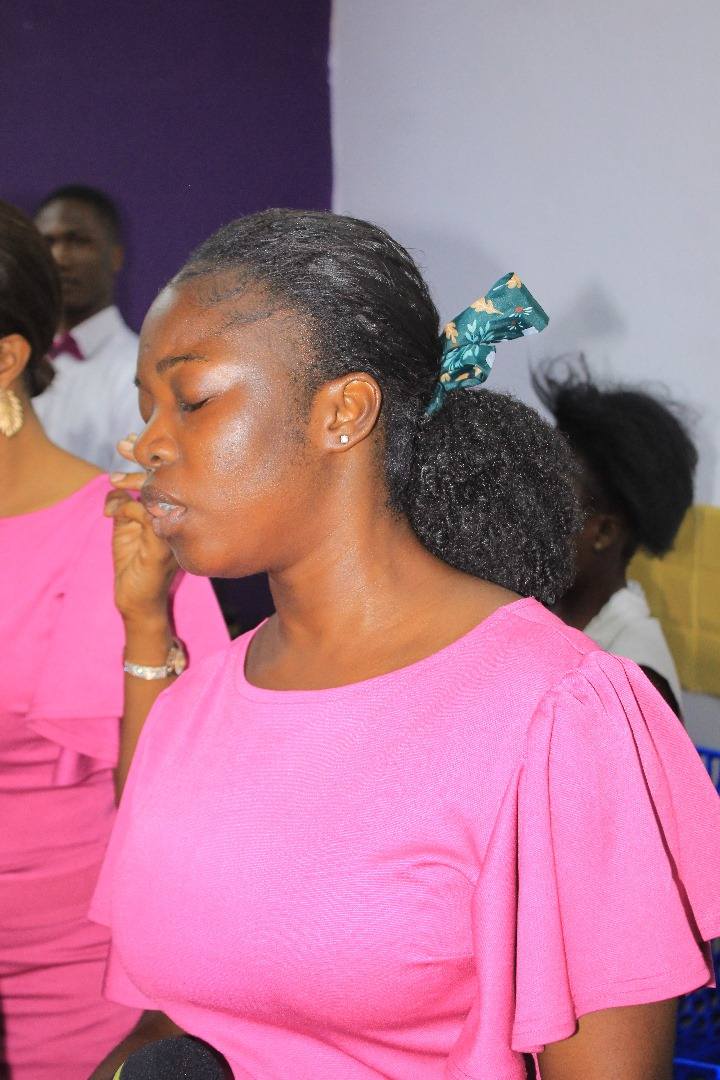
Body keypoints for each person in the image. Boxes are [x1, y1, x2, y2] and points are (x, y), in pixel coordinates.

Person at [89, 211, 720, 1080]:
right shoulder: (197, 701)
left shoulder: (555, 712)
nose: (146, 443)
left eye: (191, 401)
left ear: (343, 412)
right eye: (145, 407)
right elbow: (166, 1023)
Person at [0, 200, 229, 1080]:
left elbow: (179, 808)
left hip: (75, 995)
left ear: (7, 359)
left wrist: (147, 624)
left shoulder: (125, 535)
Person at [533, 360, 696, 717]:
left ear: (604, 532)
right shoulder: (536, 611)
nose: (531, 509)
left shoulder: (636, 677)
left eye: (552, 497)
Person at [33, 184, 142, 472]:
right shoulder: (15, 362)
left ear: (116, 257)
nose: (60, 258)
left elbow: (132, 489)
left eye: (79, 241)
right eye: (48, 242)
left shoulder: (137, 373)